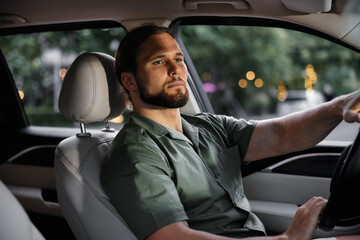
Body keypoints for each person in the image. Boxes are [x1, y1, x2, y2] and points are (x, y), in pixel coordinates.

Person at [101, 25, 360, 240]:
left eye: (178, 59)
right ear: (130, 81)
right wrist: (288, 238)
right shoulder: (135, 153)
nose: (176, 69)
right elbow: (174, 237)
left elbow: (282, 134)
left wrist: (340, 106)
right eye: (159, 61)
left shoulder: (209, 126)